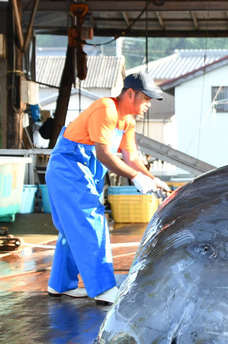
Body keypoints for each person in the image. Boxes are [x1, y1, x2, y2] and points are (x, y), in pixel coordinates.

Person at [45, 73, 170, 305]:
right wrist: (134, 177)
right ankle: (102, 289)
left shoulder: (127, 122)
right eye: (145, 98)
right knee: (91, 222)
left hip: (84, 172)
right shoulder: (106, 109)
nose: (148, 104)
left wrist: (152, 179)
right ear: (130, 93)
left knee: (71, 229)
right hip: (69, 167)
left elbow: (131, 157)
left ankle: (60, 284)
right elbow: (104, 154)